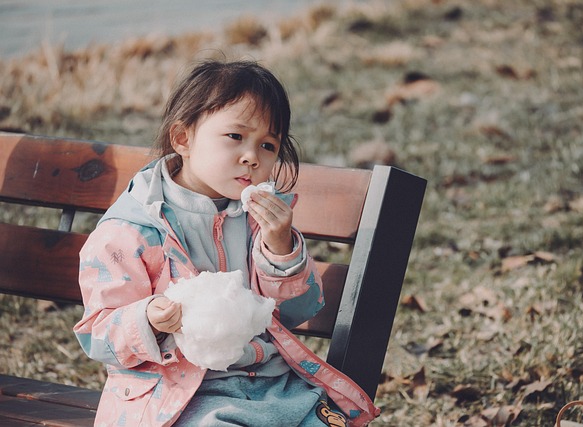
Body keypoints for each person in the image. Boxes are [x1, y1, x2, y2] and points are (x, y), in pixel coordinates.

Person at [73, 59, 378, 427]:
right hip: (180, 396)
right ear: (183, 138)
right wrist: (148, 318)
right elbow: (99, 336)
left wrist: (280, 248)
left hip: (273, 385)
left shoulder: (260, 220)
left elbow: (296, 312)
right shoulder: (131, 232)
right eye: (235, 136)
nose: (252, 156)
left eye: (267, 145)